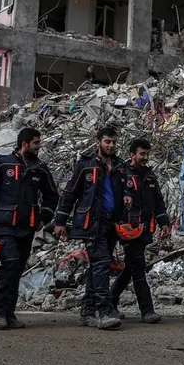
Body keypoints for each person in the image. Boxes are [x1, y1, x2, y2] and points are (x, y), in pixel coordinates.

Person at [0, 127, 59, 330]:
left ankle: (9, 313)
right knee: (10, 262)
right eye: (36, 143)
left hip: (27, 227)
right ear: (25, 144)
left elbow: (52, 196)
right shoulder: (3, 164)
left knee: (18, 267)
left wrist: (43, 217)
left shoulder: (40, 169)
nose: (39, 147)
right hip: (4, 224)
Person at [54, 126, 129, 330]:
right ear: (98, 142)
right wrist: (60, 221)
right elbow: (70, 193)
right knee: (101, 263)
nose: (111, 146)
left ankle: (87, 311)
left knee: (98, 265)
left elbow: (127, 190)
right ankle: (104, 310)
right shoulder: (86, 165)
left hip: (111, 223)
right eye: (107, 142)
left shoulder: (120, 166)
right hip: (91, 222)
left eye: (114, 142)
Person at [110, 137, 171, 323]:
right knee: (138, 268)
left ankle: (109, 302)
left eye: (147, 154)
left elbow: (158, 202)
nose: (145, 157)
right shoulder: (122, 174)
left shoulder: (150, 176)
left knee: (130, 268)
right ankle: (147, 311)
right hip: (128, 229)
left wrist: (164, 223)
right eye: (142, 154)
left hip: (145, 229)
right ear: (132, 154)